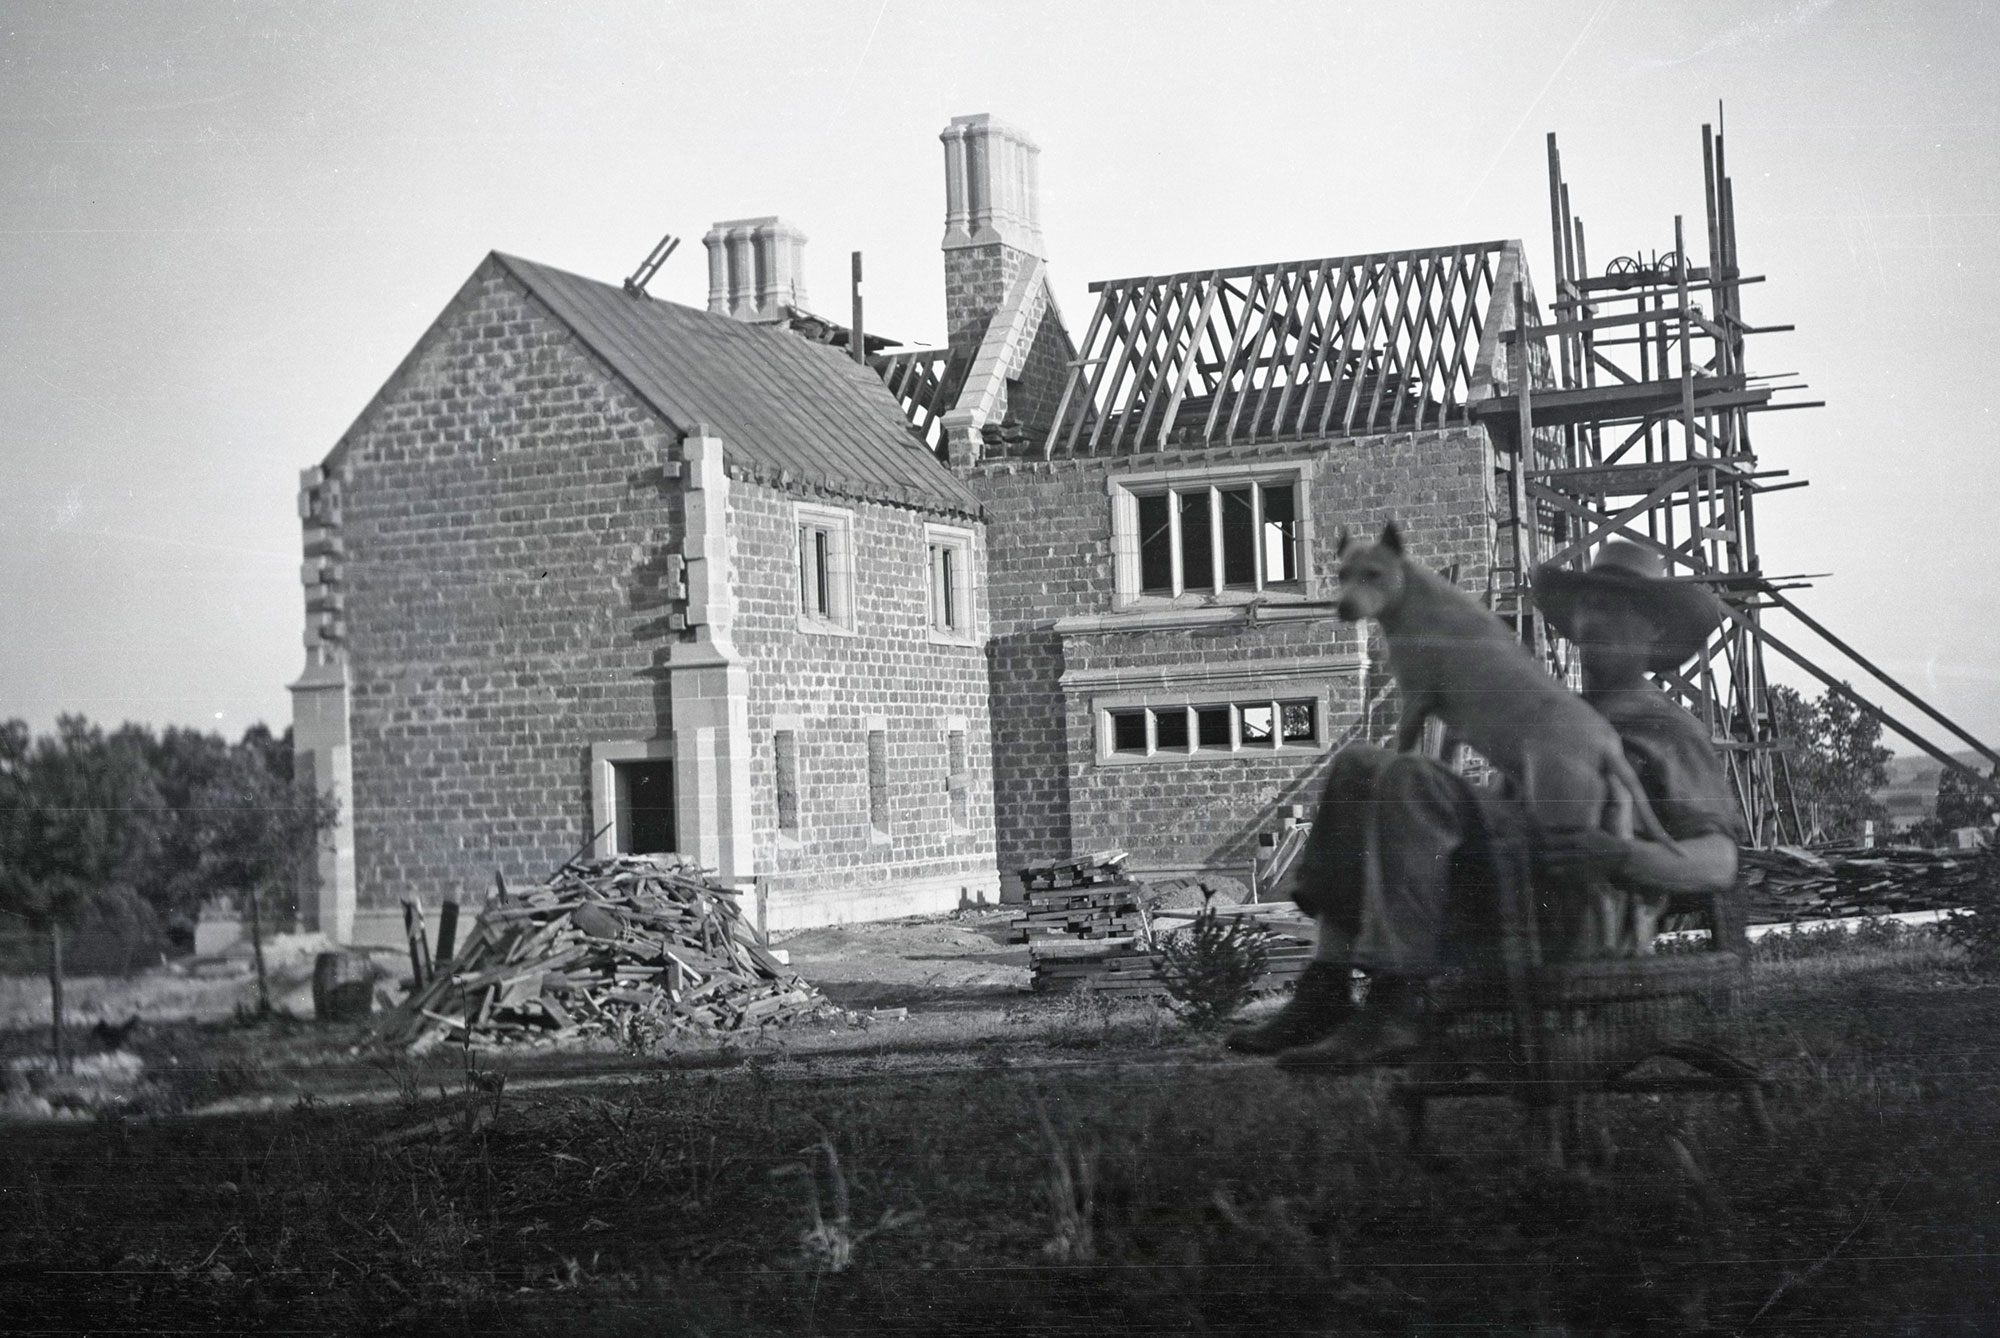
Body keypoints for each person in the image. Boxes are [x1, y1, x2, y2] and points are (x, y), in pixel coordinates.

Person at [1226, 541, 1745, 1068]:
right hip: (1499, 903)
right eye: (1589, 607)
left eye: (1615, 611)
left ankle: (1398, 1003)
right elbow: (1498, 820)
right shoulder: (1549, 712)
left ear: (1654, 632)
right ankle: (1325, 987)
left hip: (1583, 914)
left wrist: (1619, 855)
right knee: (1359, 768)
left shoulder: (1669, 730)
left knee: (1409, 777)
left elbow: (1719, 861)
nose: (1592, 624)